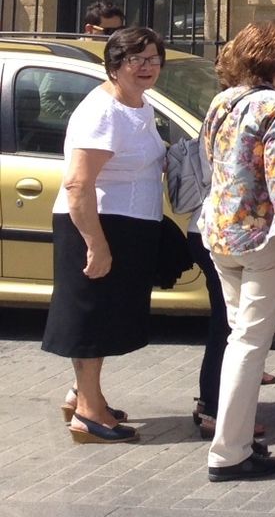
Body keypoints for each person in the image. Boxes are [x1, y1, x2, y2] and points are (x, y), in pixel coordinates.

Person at [42, 27, 168, 444]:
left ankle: (84, 394)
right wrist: (96, 243)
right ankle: (89, 414)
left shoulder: (139, 104)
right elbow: (79, 185)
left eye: (153, 58)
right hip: (97, 225)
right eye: (136, 59)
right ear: (114, 66)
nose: (147, 66)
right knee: (91, 317)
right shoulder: (102, 111)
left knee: (108, 314)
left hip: (127, 224)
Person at [197, 20, 275, 480]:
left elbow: (209, 155)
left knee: (238, 339)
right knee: (249, 344)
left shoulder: (224, 99)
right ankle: (230, 450)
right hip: (262, 236)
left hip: (221, 232)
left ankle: (234, 440)